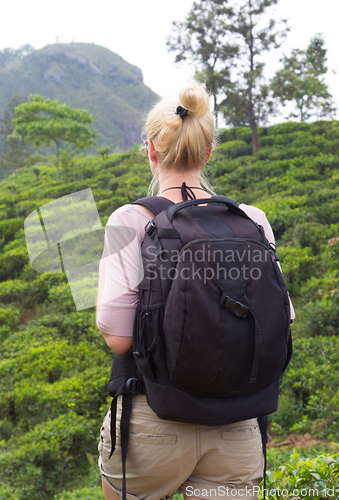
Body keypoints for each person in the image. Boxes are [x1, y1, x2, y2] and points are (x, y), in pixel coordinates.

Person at [95, 81, 295, 500]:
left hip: (153, 424)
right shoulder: (252, 219)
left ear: (150, 149)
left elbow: (119, 339)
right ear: (208, 151)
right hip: (240, 427)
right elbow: (283, 318)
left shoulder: (128, 220)